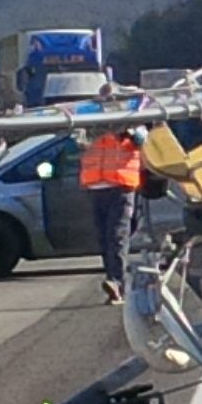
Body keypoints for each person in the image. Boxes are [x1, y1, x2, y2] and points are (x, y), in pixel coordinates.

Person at [79, 126, 142, 304]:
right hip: (95, 187)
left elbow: (142, 140)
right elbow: (74, 146)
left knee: (116, 235)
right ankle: (114, 283)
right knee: (104, 238)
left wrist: (128, 132)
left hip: (121, 187)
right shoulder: (90, 120)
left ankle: (117, 282)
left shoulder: (130, 120)